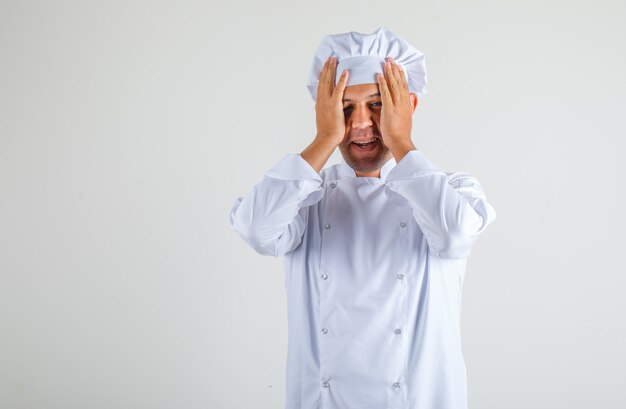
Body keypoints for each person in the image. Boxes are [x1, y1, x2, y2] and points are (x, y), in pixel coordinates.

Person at [228, 26, 497, 409]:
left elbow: (454, 236)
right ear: (325, 113)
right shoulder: (305, 199)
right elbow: (255, 229)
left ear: (408, 107)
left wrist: (401, 140)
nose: (359, 124)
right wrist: (323, 139)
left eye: (377, 104)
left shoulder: (452, 191)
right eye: (345, 108)